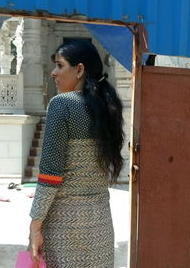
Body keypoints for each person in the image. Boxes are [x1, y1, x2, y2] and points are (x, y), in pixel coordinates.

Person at [28, 39, 124, 268]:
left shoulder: (62, 105)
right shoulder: (107, 108)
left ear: (79, 70)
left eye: (59, 65)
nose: (53, 73)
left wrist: (35, 226)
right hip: (99, 225)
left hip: (63, 226)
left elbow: (50, 175)